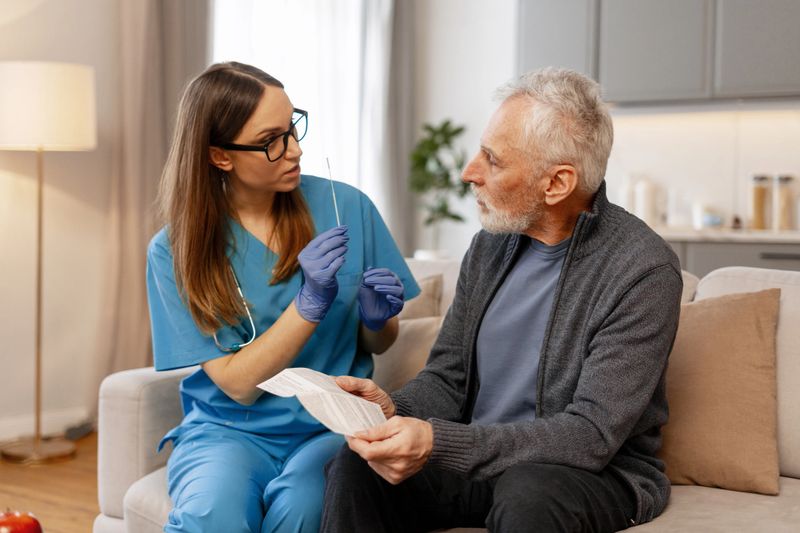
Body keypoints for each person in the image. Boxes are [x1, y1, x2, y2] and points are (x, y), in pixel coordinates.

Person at [321, 68, 683, 533]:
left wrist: (437, 442)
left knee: (528, 493)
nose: (468, 172)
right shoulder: (491, 245)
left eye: (492, 160)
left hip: (588, 474)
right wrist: (394, 409)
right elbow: (448, 377)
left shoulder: (642, 269)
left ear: (557, 183)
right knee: (354, 467)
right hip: (478, 458)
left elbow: (591, 435)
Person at [146, 61, 419, 533]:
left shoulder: (348, 206)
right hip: (228, 430)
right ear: (220, 157)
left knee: (305, 509)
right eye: (271, 141)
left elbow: (378, 343)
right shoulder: (174, 250)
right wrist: (309, 303)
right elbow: (237, 384)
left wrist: (378, 320)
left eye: (293, 127)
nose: (294, 150)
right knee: (213, 515)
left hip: (328, 425)